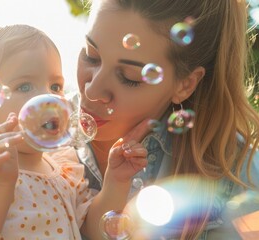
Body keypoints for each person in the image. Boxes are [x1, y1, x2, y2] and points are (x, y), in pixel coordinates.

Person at [0, 24, 148, 240]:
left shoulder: (64, 170)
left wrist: (115, 181)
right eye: (24, 86)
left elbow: (94, 230)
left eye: (55, 86)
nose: (50, 98)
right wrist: (0, 184)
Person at [70, 0, 259, 239]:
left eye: (129, 77)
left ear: (185, 84)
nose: (92, 91)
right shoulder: (32, 135)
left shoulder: (240, 177)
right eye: (91, 55)